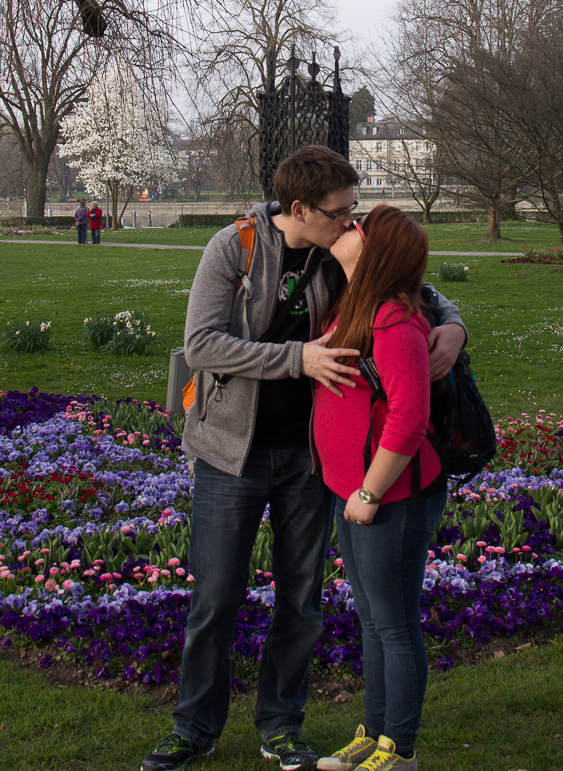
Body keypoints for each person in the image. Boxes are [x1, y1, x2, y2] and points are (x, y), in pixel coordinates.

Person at [142, 145, 466, 771]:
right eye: (339, 213)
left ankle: (282, 724)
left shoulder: (339, 252)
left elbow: (409, 287)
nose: (352, 223)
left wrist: (453, 325)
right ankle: (194, 727)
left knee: (300, 598)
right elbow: (202, 345)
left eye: (354, 210)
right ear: (299, 209)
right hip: (229, 452)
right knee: (215, 597)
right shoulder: (233, 248)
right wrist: (299, 359)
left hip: (308, 459)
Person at [314, 205, 444, 771]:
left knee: (394, 623)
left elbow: (410, 419)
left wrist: (367, 495)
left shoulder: (394, 320)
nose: (347, 226)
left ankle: (400, 750)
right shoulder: (356, 305)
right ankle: (373, 734)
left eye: (357, 226)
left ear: (375, 252)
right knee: (372, 619)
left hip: (390, 497)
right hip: (353, 491)